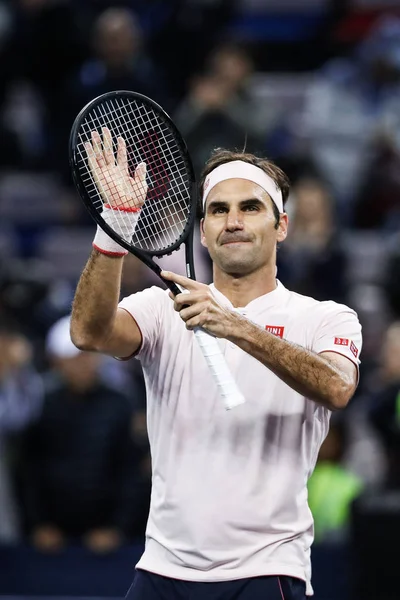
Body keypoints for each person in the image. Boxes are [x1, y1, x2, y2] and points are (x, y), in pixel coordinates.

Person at [70, 131, 362, 599]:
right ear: (201, 230)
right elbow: (88, 333)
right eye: (218, 210)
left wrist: (237, 325)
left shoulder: (325, 317)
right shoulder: (161, 307)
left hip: (267, 571)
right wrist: (114, 225)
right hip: (161, 570)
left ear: (281, 225)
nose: (234, 221)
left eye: (250, 207)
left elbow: (338, 387)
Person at [19, 315, 149, 553]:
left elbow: (131, 471)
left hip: (109, 538)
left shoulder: (120, 404)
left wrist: (117, 528)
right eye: (74, 359)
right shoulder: (39, 404)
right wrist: (37, 524)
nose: (83, 364)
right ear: (57, 362)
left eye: (88, 356)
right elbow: (30, 470)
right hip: (50, 537)